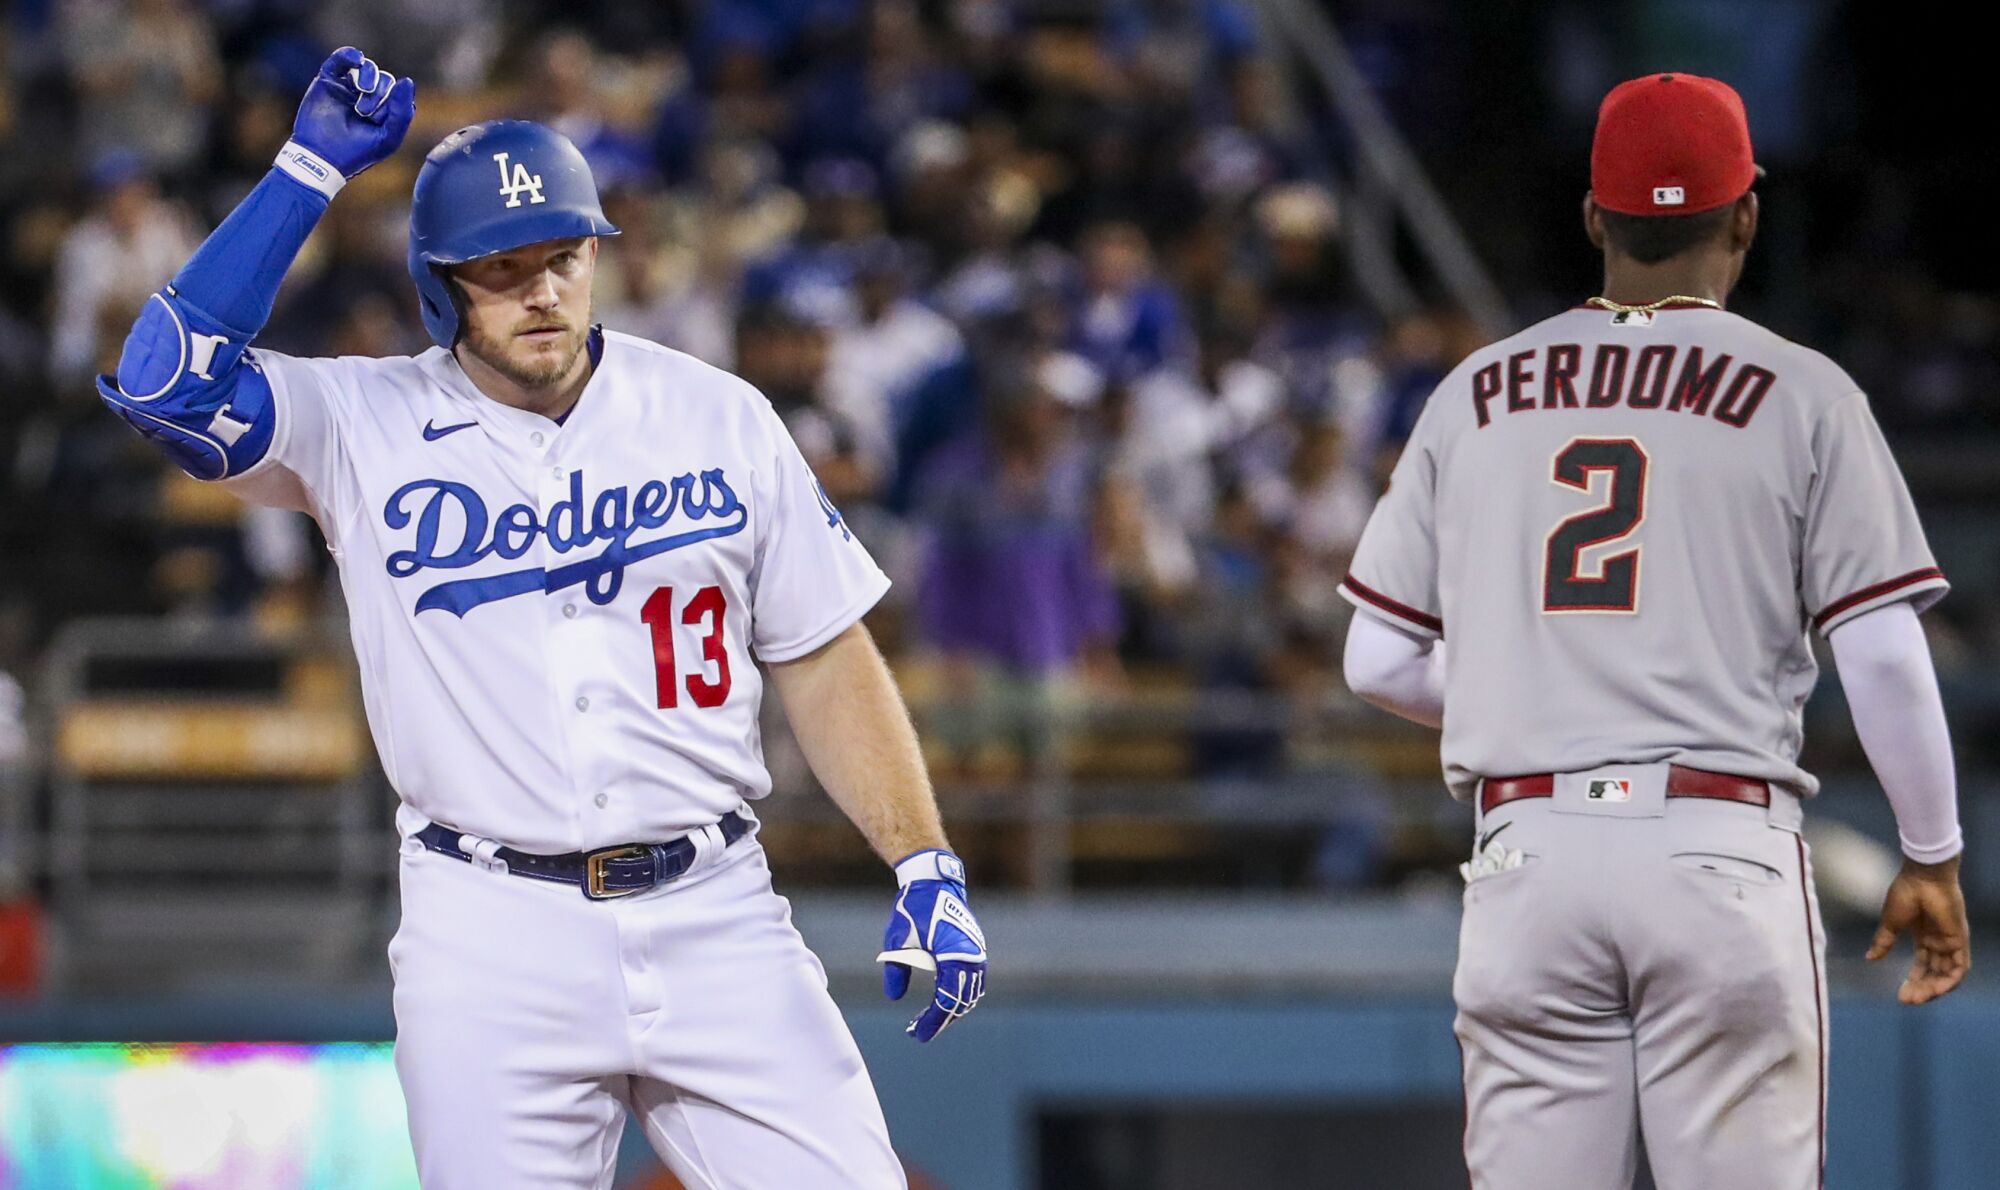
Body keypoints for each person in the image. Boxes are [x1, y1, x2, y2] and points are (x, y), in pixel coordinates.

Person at [95, 49, 986, 1188]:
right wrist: (309, 169)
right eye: (500, 268)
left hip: (715, 907)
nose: (543, 291)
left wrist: (925, 863)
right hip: (489, 930)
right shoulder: (359, 420)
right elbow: (166, 381)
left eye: (564, 257)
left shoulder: (716, 413)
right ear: (438, 283)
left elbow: (819, 651)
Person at [1338, 73, 1970, 1190]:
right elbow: (1877, 649)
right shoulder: (1802, 392)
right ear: (1743, 214)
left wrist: (1529, 682)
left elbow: (1375, 656)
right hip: (1714, 848)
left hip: (1524, 855)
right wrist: (1930, 852)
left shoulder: (1474, 391)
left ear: (1593, 216)